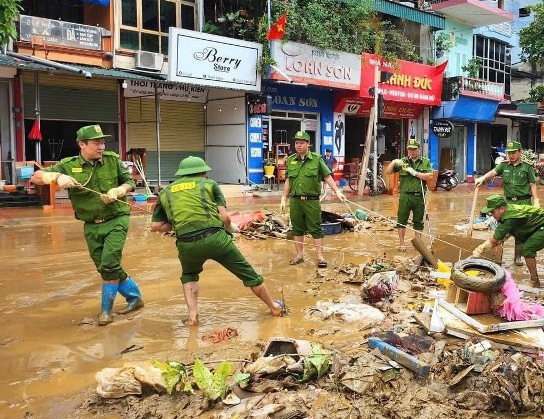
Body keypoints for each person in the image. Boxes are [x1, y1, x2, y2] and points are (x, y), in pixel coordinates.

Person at [150, 156, 284, 326]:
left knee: (189, 276)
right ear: (203, 172)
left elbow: (155, 226)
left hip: (186, 244)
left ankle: (192, 318)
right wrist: (232, 228)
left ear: (182, 174)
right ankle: (273, 307)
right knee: (248, 273)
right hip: (215, 239)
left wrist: (176, 224)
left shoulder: (166, 192)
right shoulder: (210, 184)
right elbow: (225, 217)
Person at [31, 124, 143, 326]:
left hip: (117, 219)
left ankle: (105, 312)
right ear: (82, 144)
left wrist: (118, 190)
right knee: (105, 267)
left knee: (109, 263)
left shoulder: (112, 160)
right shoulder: (68, 164)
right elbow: (36, 177)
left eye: (102, 142)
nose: (101, 147)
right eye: (96, 143)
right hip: (91, 224)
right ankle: (135, 298)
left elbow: (131, 182)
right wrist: (55, 177)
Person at [472, 195, 544, 287]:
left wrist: (480, 249)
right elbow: (508, 233)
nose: (491, 215)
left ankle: (535, 281)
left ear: (502, 209)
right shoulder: (509, 210)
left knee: (528, 249)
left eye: (493, 212)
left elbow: (495, 239)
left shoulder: (510, 218)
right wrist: (501, 239)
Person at [281, 131, 347, 268]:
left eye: (301, 143)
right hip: (295, 201)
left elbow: (327, 176)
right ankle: (299, 255)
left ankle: (320, 257)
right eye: (296, 143)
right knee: (297, 228)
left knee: (316, 228)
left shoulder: (317, 159)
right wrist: (283, 197)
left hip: (311, 200)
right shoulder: (291, 160)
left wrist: (337, 191)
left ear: (308, 144)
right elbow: (288, 180)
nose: (298, 145)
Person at [475, 141, 540, 266]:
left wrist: (536, 200)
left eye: (514, 153)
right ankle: (497, 256)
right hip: (508, 203)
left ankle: (518, 258)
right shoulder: (503, 166)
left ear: (520, 152)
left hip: (524, 202)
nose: (511, 155)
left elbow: (533, 184)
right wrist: (483, 178)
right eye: (509, 153)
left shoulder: (527, 167)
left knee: (520, 231)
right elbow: (493, 172)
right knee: (502, 229)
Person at [386, 138, 434, 251]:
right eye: (410, 149)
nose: (412, 152)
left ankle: (418, 245)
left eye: (414, 149)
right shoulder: (403, 162)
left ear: (419, 149)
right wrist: (393, 162)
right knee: (402, 220)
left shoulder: (425, 162)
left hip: (419, 196)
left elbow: (430, 176)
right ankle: (401, 244)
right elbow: (388, 172)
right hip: (405, 196)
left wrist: (415, 173)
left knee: (418, 221)